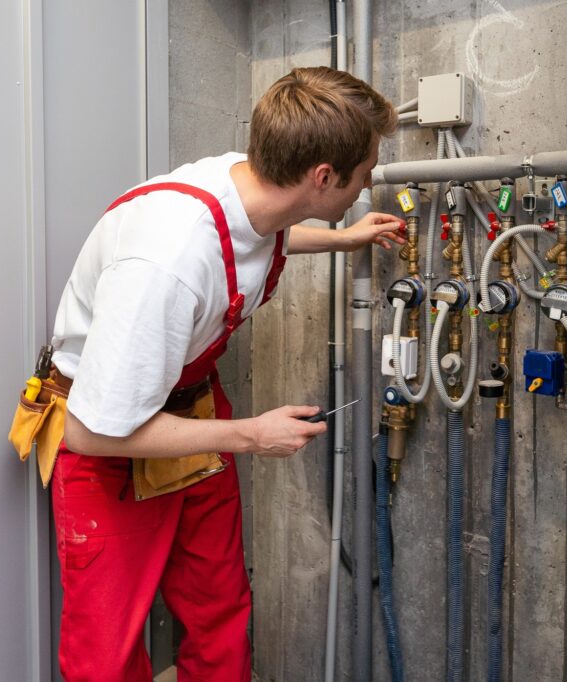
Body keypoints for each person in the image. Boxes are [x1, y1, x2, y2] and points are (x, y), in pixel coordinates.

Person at [47, 66, 403, 681]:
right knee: (104, 656)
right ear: (324, 177)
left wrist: (344, 239)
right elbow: (90, 433)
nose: (368, 182)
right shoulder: (167, 262)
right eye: (365, 173)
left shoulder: (253, 182)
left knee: (218, 609)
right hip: (109, 442)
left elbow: (268, 231)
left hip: (189, 413)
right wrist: (250, 436)